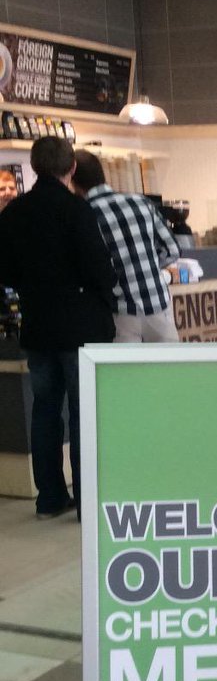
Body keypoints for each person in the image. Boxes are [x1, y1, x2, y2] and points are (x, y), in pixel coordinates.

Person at [0, 136, 115, 518]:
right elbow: (99, 267)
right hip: (80, 326)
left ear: (34, 166)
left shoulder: (14, 212)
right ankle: (86, 501)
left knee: (45, 411)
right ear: (72, 167)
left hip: (38, 324)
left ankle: (49, 498)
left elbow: (5, 270)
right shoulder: (77, 210)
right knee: (83, 414)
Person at [72, 150, 181, 342]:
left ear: (73, 180)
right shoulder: (141, 202)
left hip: (120, 312)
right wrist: (147, 265)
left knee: (126, 363)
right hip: (157, 303)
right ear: (102, 173)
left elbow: (90, 268)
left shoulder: (84, 214)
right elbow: (172, 249)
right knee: (169, 362)